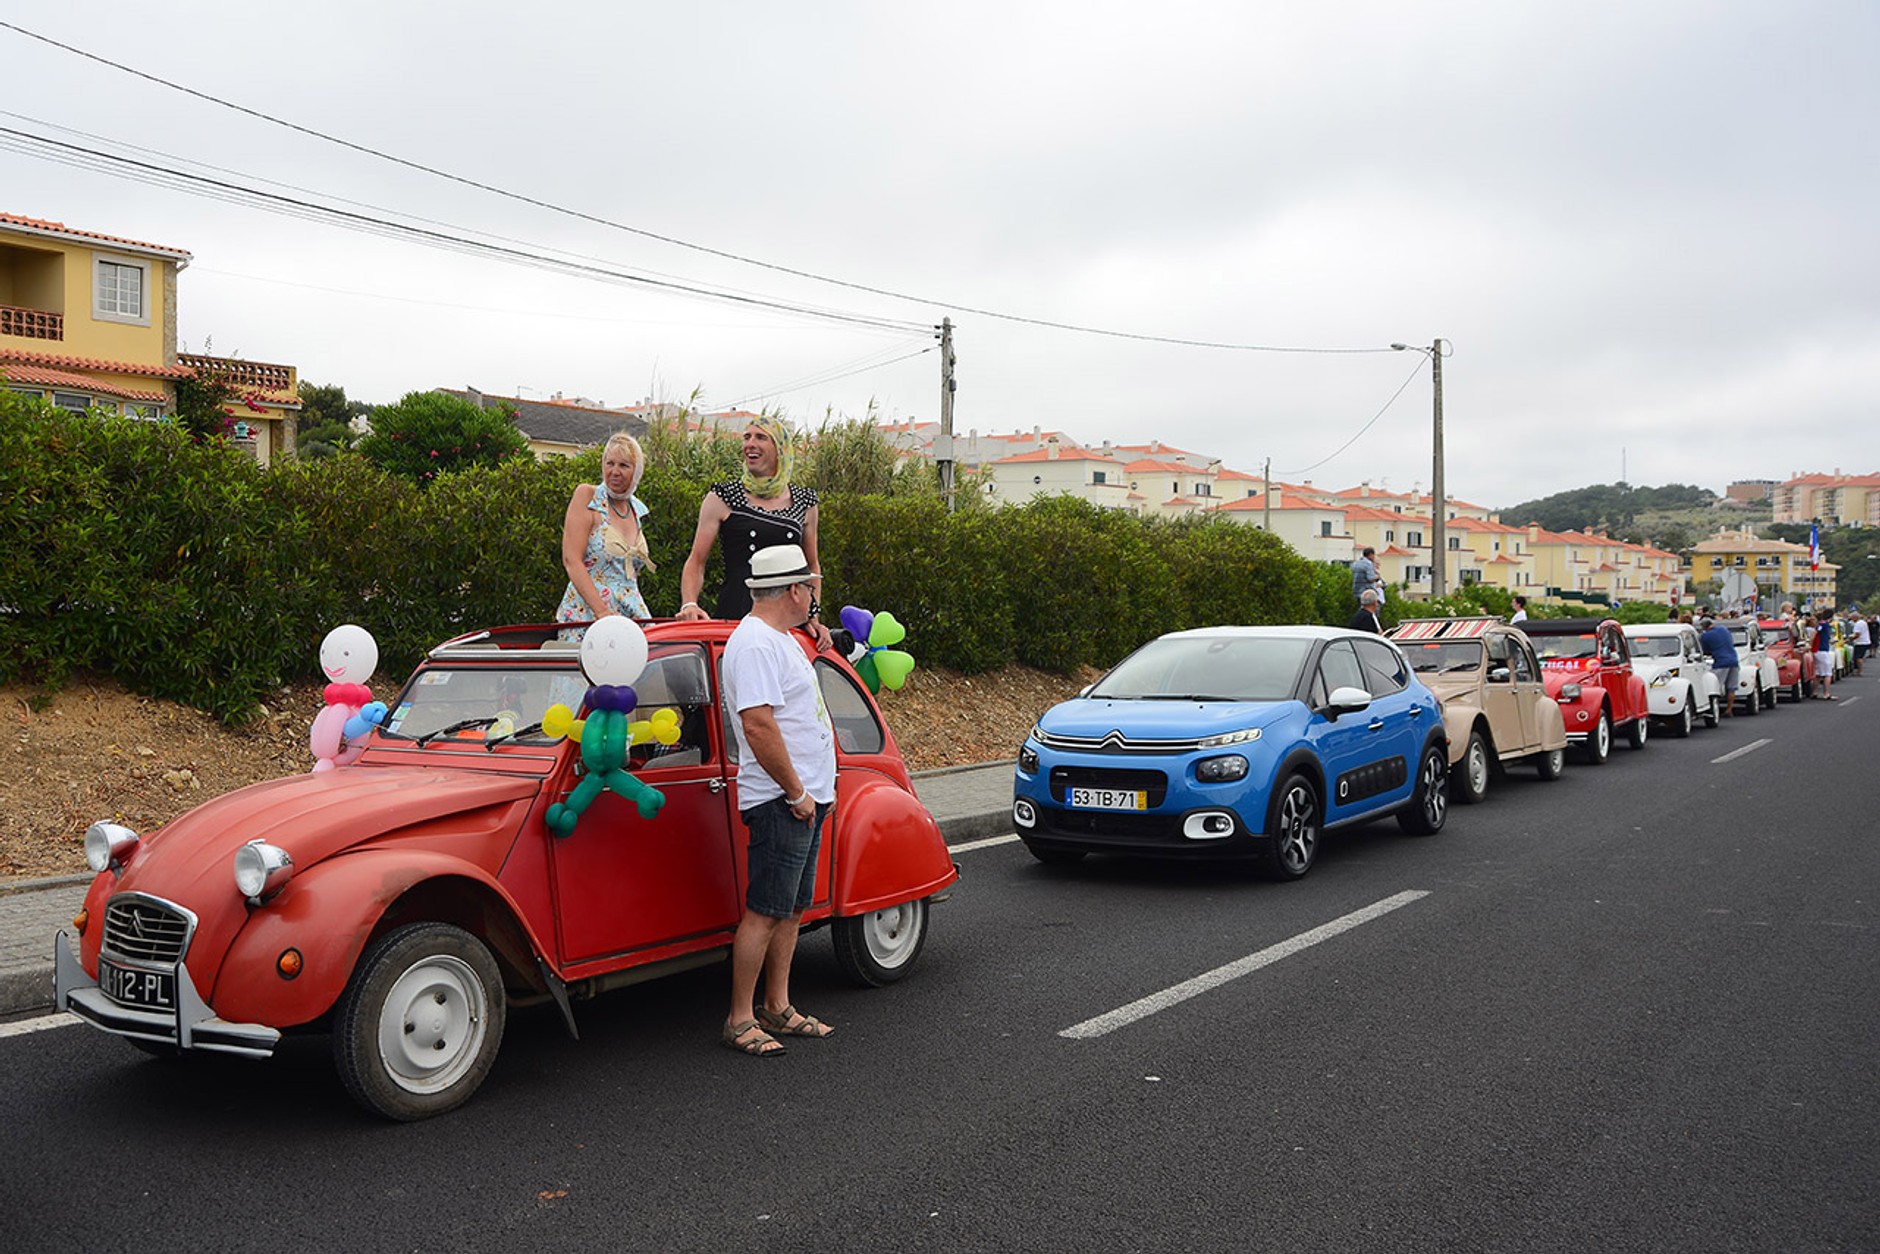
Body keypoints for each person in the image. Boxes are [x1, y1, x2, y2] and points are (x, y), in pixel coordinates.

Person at [719, 544, 839, 1058]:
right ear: (793, 590)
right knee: (765, 911)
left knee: (791, 909)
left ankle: (777, 1005)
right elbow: (757, 723)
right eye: (810, 587)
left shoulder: (782, 638)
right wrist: (796, 791)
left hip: (804, 799)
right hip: (782, 800)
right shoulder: (756, 645)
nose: (814, 596)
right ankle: (740, 1018)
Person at [677, 415, 832, 649]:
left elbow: (812, 566)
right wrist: (689, 604)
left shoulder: (805, 502)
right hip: (736, 619)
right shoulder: (722, 497)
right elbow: (696, 561)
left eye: (761, 437)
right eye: (747, 437)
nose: (750, 443)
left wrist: (812, 616)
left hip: (788, 625)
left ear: (780, 449)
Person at [555, 432, 653, 632]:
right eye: (610, 464)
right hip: (589, 615)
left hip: (630, 614)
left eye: (624, 465)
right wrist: (602, 612)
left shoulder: (636, 509)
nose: (615, 471)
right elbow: (571, 560)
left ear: (636, 472)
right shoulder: (588, 497)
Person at [1698, 615, 1738, 716]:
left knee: (1715, 686)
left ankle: (1715, 709)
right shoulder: (1723, 629)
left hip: (1721, 662)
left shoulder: (1705, 636)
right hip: (1734, 660)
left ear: (1704, 627)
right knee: (1731, 688)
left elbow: (1705, 651)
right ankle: (1729, 709)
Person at [1811, 610, 1836, 700]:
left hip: (1817, 650)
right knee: (1827, 673)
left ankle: (1814, 692)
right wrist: (1811, 643)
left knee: (1818, 673)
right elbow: (1815, 633)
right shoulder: (1824, 624)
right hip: (1822, 650)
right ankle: (1826, 693)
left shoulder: (1821, 623)